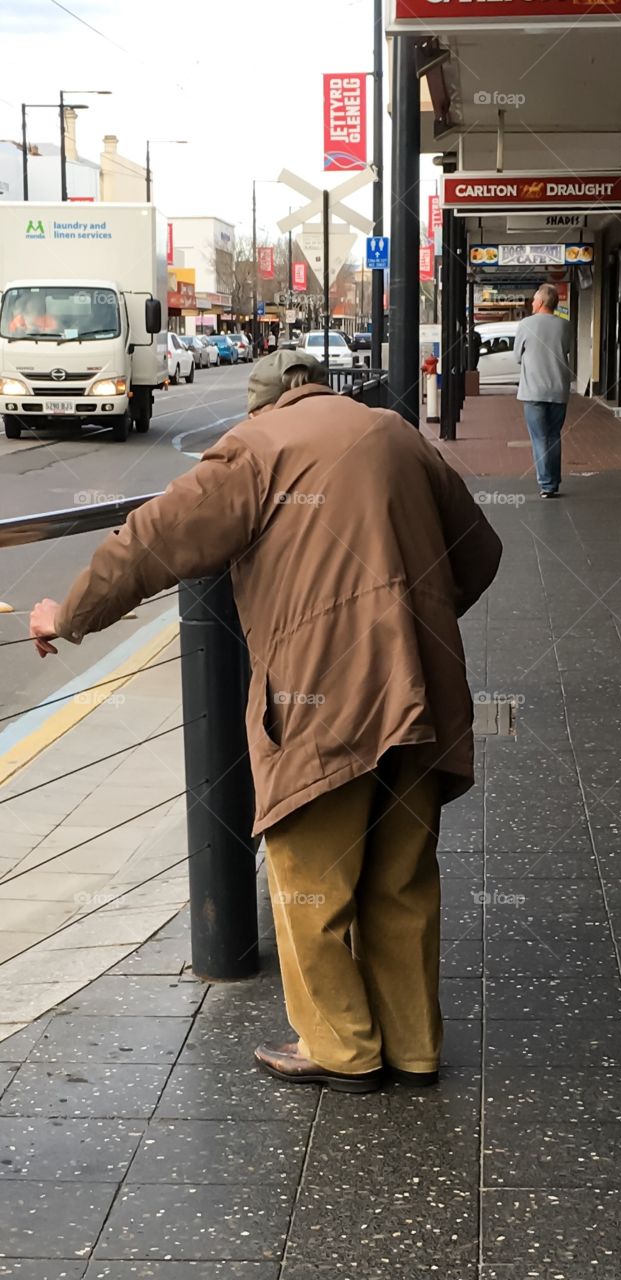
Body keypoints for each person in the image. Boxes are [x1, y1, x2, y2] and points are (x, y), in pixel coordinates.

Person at [29, 349, 502, 1094]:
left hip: (324, 697)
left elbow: (152, 540)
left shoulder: (255, 449)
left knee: (309, 877)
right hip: (423, 691)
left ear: (261, 406)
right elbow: (480, 551)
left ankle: (342, 1047)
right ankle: (413, 1047)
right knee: (402, 877)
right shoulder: (397, 432)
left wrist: (71, 612)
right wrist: (417, 626)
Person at [514, 283, 573, 498]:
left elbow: (517, 356)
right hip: (559, 389)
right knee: (553, 435)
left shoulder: (525, 324)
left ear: (540, 302)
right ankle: (554, 481)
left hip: (533, 391)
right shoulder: (565, 325)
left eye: (534, 300)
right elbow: (567, 350)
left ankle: (547, 484)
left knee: (539, 437)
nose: (531, 302)